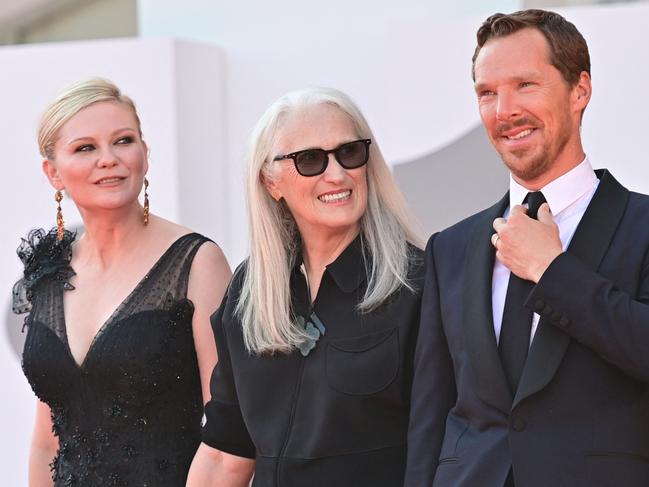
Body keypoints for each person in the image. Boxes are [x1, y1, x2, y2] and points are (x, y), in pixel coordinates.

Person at [405, 8, 649, 487]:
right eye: (487, 93)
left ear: (580, 90)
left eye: (525, 85)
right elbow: (431, 413)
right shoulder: (450, 248)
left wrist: (554, 272)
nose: (504, 111)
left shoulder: (642, 226)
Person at [187, 87, 424, 486]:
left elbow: (446, 446)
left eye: (349, 152)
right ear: (271, 181)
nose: (337, 174)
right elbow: (226, 453)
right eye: (310, 159)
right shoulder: (248, 294)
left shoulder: (417, 283)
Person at [12, 78, 231, 486]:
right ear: (53, 173)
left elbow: (228, 440)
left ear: (145, 156)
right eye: (85, 148)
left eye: (123, 141)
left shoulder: (197, 262)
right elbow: (47, 441)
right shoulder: (47, 272)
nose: (109, 159)